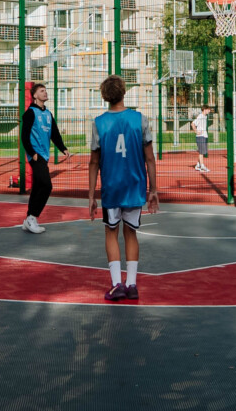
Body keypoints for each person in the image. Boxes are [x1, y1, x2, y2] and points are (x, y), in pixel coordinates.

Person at [88, 75, 158, 302]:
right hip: (134, 185)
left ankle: (117, 284)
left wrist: (91, 195)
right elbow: (150, 158)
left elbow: (94, 162)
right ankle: (132, 284)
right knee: (131, 233)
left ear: (104, 96)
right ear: (124, 92)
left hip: (112, 187)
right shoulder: (140, 119)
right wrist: (153, 189)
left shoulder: (99, 123)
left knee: (111, 232)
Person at [21, 82, 70, 233]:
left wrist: (63, 148)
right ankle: (32, 217)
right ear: (35, 95)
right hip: (36, 155)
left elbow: (54, 133)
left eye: (46, 91)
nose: (45, 93)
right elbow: (24, 136)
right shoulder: (30, 113)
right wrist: (32, 152)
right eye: (42, 91)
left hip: (44, 154)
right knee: (47, 185)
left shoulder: (48, 114)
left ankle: (28, 218)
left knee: (37, 186)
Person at [192, 106, 211, 173]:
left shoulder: (205, 117)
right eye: (208, 109)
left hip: (204, 136)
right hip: (200, 136)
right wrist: (195, 131)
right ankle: (202, 166)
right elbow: (193, 123)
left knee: (202, 151)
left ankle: (198, 165)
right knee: (201, 152)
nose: (209, 111)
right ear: (205, 109)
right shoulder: (200, 116)